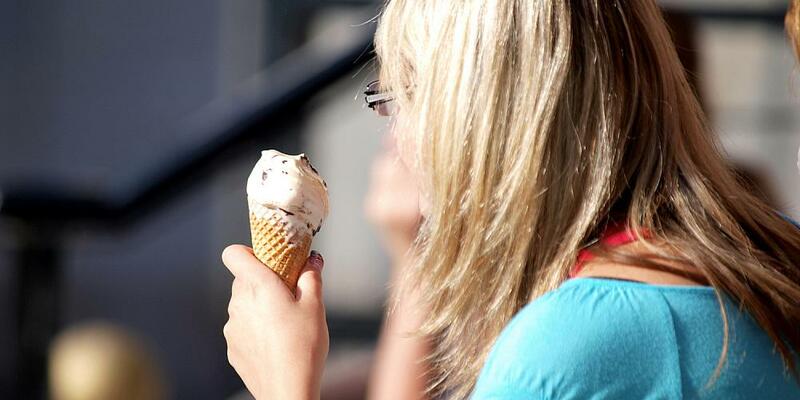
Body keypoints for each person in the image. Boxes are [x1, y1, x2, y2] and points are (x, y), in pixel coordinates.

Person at [221, 1, 800, 399]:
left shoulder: (571, 341)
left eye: (398, 96)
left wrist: (284, 383)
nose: (394, 137)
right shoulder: (772, 247)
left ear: (476, 114)